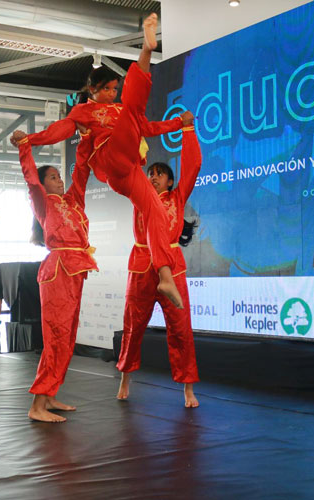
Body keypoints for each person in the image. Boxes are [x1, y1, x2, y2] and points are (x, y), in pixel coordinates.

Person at [12, 13, 194, 310]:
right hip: (110, 159)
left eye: (114, 89)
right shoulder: (83, 112)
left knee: (155, 213)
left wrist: (179, 124)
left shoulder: (120, 110)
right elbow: (59, 131)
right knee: (133, 112)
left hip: (130, 170)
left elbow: (148, 128)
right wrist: (29, 140)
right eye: (107, 89)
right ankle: (146, 51)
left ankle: (164, 274)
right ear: (92, 89)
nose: (112, 94)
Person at [12, 126, 97, 423]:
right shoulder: (43, 203)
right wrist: (25, 146)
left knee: (68, 337)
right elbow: (30, 178)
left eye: (60, 176)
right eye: (52, 177)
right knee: (57, 337)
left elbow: (83, 172)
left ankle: (49, 395)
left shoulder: (73, 202)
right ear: (43, 184)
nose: (59, 181)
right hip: (58, 272)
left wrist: (86, 140)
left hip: (75, 271)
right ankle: (37, 405)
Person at [117, 126, 202, 407]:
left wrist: (188, 129)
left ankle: (188, 389)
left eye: (159, 174)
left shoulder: (177, 198)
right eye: (150, 173)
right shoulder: (139, 196)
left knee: (181, 329)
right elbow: (129, 167)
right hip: (142, 266)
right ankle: (125, 380)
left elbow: (194, 164)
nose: (153, 177)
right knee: (133, 327)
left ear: (170, 182)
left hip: (172, 268)